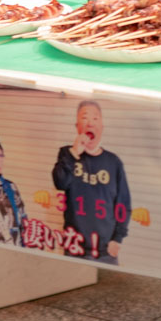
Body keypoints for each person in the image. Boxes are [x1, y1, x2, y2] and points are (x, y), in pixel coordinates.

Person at [50, 101, 132, 264]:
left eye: (95, 119)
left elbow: (123, 203)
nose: (90, 123)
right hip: (74, 247)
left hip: (105, 252)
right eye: (84, 118)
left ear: (102, 126)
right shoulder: (67, 154)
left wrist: (118, 239)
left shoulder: (113, 162)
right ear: (77, 126)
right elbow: (60, 183)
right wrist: (74, 153)